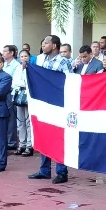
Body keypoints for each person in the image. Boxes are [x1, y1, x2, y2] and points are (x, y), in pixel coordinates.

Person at [28, 35, 72, 184]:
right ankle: (44, 170)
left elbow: (69, 81)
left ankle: (61, 172)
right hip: (42, 103)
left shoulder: (63, 61)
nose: (43, 45)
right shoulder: (40, 59)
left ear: (54, 46)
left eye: (46, 43)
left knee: (58, 137)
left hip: (57, 103)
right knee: (43, 135)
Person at [1, 45, 21, 150]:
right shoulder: (3, 64)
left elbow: (14, 82)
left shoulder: (16, 65)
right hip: (2, 94)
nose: (3, 53)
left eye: (5, 51)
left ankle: (11, 142)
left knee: (11, 119)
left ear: (12, 53)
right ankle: (5, 140)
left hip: (10, 93)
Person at [13, 50, 34, 157]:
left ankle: (29, 146)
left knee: (28, 122)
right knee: (20, 121)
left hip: (28, 95)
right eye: (22, 56)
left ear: (29, 57)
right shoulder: (17, 68)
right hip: (18, 95)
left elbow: (29, 82)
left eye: (26, 56)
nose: (24, 58)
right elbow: (15, 82)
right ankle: (22, 144)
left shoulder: (33, 68)